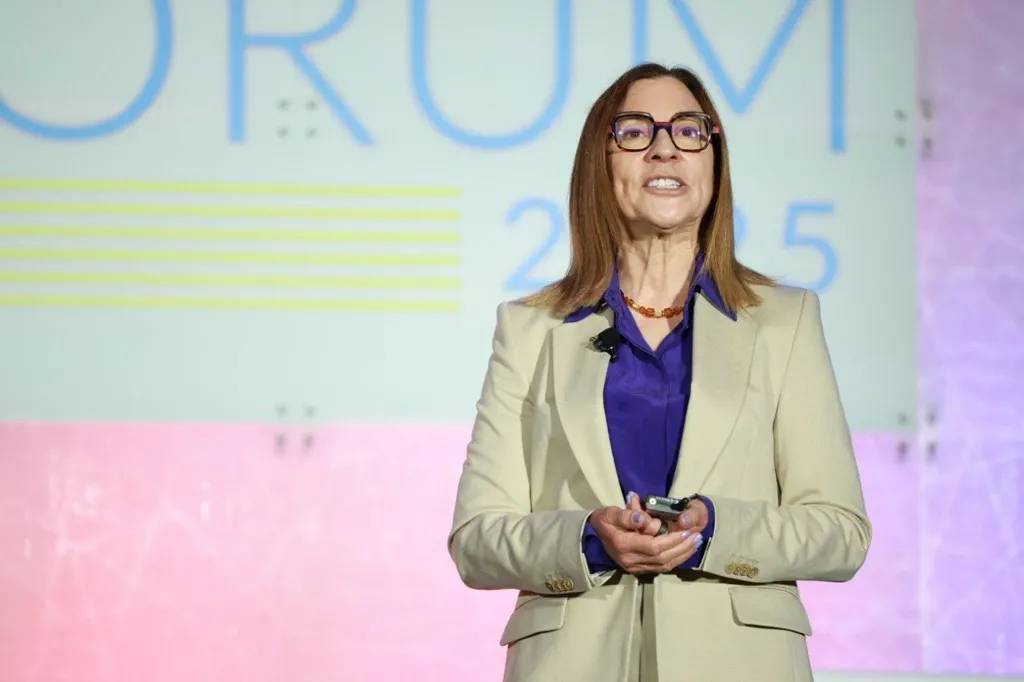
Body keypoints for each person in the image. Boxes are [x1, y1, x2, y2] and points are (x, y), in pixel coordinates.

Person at [447, 63, 871, 682]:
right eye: (636, 131)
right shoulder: (530, 328)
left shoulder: (785, 322)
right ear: (601, 162)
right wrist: (588, 537)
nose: (666, 146)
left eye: (690, 131)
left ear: (713, 162)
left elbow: (840, 533)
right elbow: (478, 540)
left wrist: (715, 528)